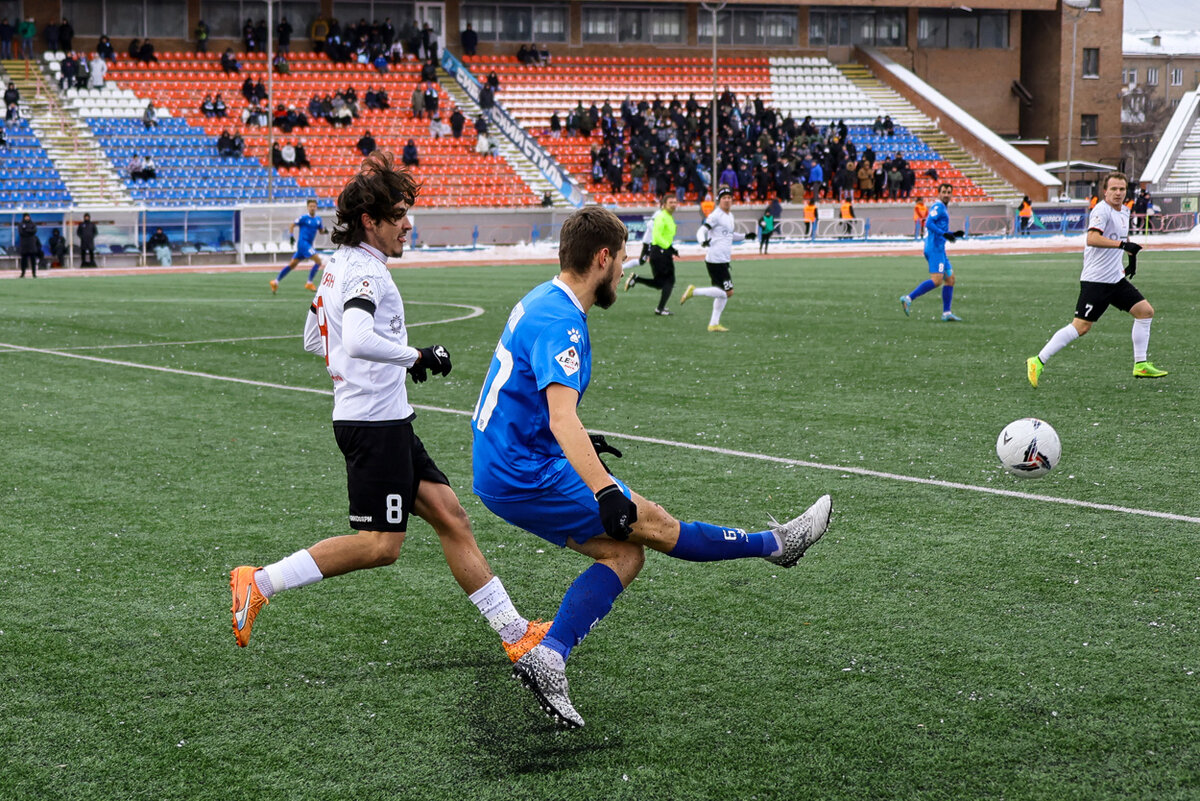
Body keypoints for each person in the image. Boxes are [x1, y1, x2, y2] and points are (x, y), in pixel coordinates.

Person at [471, 205, 832, 728]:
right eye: (621, 258)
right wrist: (603, 489)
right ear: (601, 258)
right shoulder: (562, 321)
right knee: (655, 524)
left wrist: (571, 441)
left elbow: (524, 395)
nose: (623, 269)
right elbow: (560, 414)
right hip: (524, 470)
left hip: (506, 461)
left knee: (625, 556)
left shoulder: (542, 299)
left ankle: (549, 656)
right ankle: (778, 545)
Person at [231, 151, 547, 665]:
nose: (408, 225)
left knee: (452, 516)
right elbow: (354, 339)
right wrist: (415, 355)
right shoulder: (365, 275)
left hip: (386, 420)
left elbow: (316, 337)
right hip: (372, 424)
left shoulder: (339, 266)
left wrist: (377, 367)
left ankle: (514, 632)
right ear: (369, 222)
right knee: (381, 545)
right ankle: (260, 581)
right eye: (398, 217)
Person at [1026, 172, 1167, 387]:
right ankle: (1038, 360)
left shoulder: (1125, 211)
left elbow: (1121, 238)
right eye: (1114, 189)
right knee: (1081, 327)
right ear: (1105, 191)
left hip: (1115, 279)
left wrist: (1131, 256)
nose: (1118, 193)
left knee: (1145, 312)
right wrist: (1121, 246)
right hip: (1096, 281)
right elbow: (1092, 238)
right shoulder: (1101, 210)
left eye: (1122, 189)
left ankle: (1140, 364)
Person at [682, 186, 755, 332]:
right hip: (716, 259)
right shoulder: (716, 215)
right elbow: (702, 230)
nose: (727, 200)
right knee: (727, 292)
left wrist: (745, 236)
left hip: (723, 259)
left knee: (722, 293)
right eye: (724, 198)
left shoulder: (729, 216)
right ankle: (694, 292)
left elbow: (729, 234)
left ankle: (713, 324)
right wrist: (702, 241)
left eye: (729, 198)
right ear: (719, 201)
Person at [899, 183, 963, 322]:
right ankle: (908, 298)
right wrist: (944, 234)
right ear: (938, 193)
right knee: (937, 280)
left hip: (940, 249)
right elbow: (928, 223)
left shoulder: (943, 208)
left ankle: (947, 313)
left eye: (949, 192)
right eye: (944, 192)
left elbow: (940, 229)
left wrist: (952, 234)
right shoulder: (938, 206)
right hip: (934, 249)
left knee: (950, 279)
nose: (946, 194)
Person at [623, 193, 679, 316]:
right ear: (663, 205)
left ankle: (637, 279)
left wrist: (672, 249)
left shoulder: (668, 217)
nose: (674, 205)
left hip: (659, 251)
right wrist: (667, 247)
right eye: (671, 202)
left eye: (675, 202)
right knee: (669, 281)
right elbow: (657, 235)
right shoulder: (660, 216)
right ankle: (660, 309)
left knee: (660, 283)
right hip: (658, 251)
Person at [270, 199, 326, 293]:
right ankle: (309, 282)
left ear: (316, 207)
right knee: (318, 261)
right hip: (303, 243)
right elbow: (292, 225)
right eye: (310, 206)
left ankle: (275, 281)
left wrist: (325, 231)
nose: (312, 208)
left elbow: (321, 231)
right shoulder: (303, 218)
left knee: (292, 265)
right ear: (308, 207)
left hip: (307, 245)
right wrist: (291, 236)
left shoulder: (318, 219)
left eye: (314, 206)